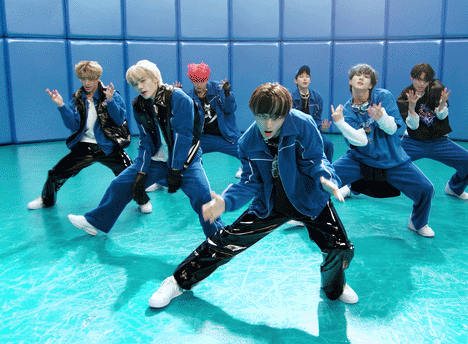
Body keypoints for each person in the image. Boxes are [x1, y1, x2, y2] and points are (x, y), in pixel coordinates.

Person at [147, 82, 357, 308]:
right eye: (262, 116)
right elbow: (250, 181)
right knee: (227, 241)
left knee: (340, 248)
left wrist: (326, 179)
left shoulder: (302, 124)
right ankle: (177, 281)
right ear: (254, 113)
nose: (268, 124)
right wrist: (226, 202)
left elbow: (317, 160)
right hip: (271, 203)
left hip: (309, 199)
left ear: (285, 113)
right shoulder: (247, 142)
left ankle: (334, 285)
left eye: (275, 117)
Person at [67, 60, 224, 237]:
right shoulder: (139, 104)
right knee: (119, 185)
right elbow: (146, 140)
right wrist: (141, 172)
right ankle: (94, 222)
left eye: (142, 80)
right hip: (157, 161)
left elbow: (185, 137)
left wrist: (176, 169)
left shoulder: (178, 98)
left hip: (186, 161)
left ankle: (218, 237)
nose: (139, 87)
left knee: (203, 197)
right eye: (135, 84)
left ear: (155, 78)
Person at [330, 64, 436, 237]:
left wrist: (382, 118)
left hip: (392, 159)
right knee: (324, 178)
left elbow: (392, 129)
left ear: (371, 84)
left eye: (366, 76)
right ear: (350, 81)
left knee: (426, 189)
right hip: (360, 159)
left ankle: (417, 223)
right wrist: (341, 123)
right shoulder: (347, 110)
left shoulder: (383, 97)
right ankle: (305, 213)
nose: (361, 77)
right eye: (357, 75)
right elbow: (361, 141)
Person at [27, 61, 135, 210]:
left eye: (90, 79)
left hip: (108, 146)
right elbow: (73, 126)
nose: (87, 83)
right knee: (55, 174)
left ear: (97, 78)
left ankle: (142, 200)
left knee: (131, 173)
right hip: (85, 146)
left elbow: (118, 120)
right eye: (83, 79)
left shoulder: (111, 95)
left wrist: (110, 101)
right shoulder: (78, 98)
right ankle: (47, 200)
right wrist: (61, 105)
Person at [146, 62, 242, 192]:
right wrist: (176, 98)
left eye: (202, 80)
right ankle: (161, 181)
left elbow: (230, 109)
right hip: (203, 138)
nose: (199, 84)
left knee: (246, 149)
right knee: (178, 153)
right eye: (196, 80)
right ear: (192, 80)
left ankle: (246, 169)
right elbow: (183, 116)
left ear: (206, 78)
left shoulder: (218, 90)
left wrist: (228, 95)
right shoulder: (189, 96)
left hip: (225, 135)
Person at [397, 63, 468, 200]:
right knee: (386, 160)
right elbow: (413, 126)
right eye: (418, 79)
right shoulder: (404, 96)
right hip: (413, 142)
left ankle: (454, 188)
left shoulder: (437, 89)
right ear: (412, 78)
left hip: (439, 142)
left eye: (425, 80)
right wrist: (411, 107)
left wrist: (442, 104)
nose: (421, 84)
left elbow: (441, 116)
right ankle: (357, 188)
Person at [290, 65, 334, 161]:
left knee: (328, 144)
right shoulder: (291, 98)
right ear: (296, 81)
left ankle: (327, 167)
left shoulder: (317, 98)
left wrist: (322, 128)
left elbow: (317, 119)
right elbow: (291, 121)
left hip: (312, 131)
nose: (304, 79)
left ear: (310, 80)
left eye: (307, 76)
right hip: (296, 133)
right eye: (301, 77)